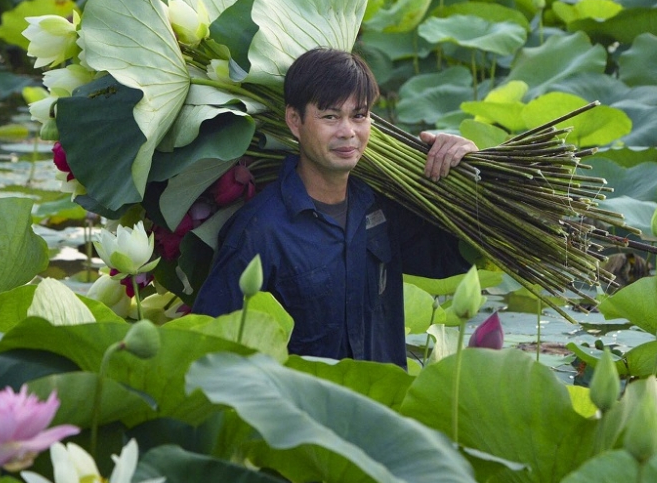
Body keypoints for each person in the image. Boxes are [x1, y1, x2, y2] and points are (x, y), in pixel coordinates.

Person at [194, 47, 478, 367]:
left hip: (381, 409)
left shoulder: (381, 208)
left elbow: (454, 257)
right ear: (294, 120)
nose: (348, 132)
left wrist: (474, 180)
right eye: (330, 116)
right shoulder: (259, 231)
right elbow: (210, 348)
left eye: (359, 115)